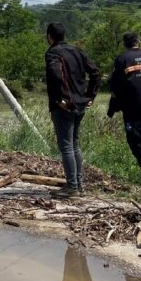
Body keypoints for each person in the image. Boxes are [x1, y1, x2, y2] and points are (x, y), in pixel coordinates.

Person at [44, 23, 101, 198]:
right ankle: (79, 185)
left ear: (49, 37)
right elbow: (96, 72)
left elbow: (55, 76)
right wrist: (90, 96)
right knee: (74, 145)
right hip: (80, 104)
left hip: (64, 106)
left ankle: (72, 187)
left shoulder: (53, 53)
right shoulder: (77, 51)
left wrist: (60, 99)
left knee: (67, 146)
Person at [108, 32, 141, 187]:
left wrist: (113, 107)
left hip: (133, 108)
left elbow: (115, 87)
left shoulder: (122, 59)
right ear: (139, 42)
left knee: (137, 143)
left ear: (124, 44)